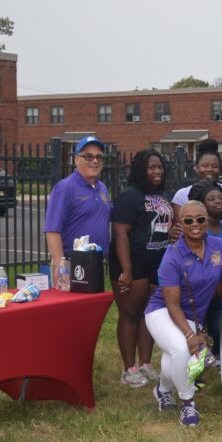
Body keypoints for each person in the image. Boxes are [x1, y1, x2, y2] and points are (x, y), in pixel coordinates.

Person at [144, 201, 222, 427]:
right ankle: (188, 404)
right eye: (188, 220)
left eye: (200, 219)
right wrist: (190, 335)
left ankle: (162, 390)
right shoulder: (172, 256)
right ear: (181, 224)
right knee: (181, 349)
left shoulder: (218, 246)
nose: (195, 224)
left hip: (192, 315)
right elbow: (172, 304)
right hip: (162, 311)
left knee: (173, 359)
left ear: (206, 220)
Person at [110, 149, 174, 387]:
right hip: (132, 262)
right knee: (130, 314)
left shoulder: (163, 195)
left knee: (150, 314)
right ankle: (129, 369)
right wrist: (126, 270)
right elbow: (120, 233)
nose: (157, 171)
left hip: (157, 263)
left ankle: (146, 364)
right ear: (140, 170)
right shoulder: (129, 196)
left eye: (160, 167)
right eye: (151, 167)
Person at [44, 135, 110, 288]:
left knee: (94, 303)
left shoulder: (102, 188)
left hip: (96, 262)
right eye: (88, 156)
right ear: (76, 160)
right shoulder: (64, 188)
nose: (95, 161)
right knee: (71, 304)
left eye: (99, 157)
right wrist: (61, 266)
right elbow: (52, 230)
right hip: (71, 264)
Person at [188, 179, 222, 365]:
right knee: (198, 326)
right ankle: (196, 358)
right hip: (198, 289)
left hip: (220, 290)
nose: (218, 201)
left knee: (220, 325)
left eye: (221, 198)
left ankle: (219, 355)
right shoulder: (197, 229)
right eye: (211, 198)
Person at [172, 138, 222, 244]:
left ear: (220, 169)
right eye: (205, 166)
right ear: (196, 168)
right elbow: (178, 228)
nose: (209, 169)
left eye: (215, 166)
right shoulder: (181, 195)